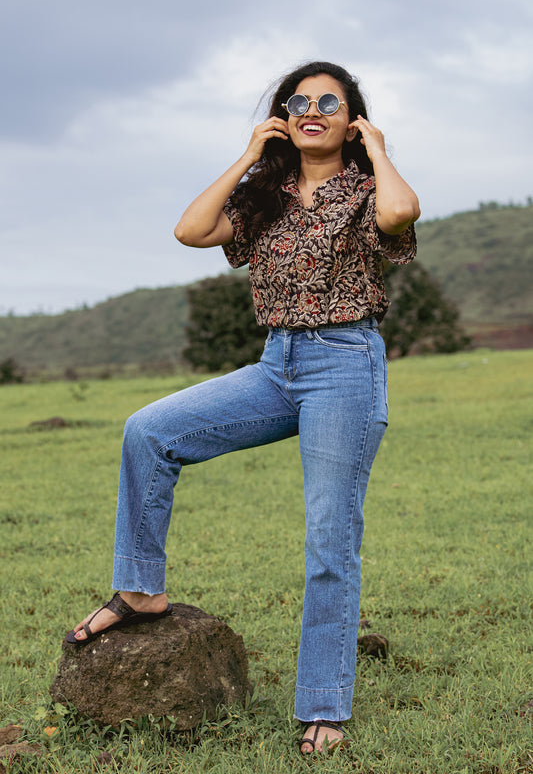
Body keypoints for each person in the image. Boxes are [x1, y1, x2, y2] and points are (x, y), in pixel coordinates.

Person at [68, 61, 420, 754]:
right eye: (296, 101)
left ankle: (323, 706)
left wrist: (376, 149)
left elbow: (400, 214)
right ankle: (139, 589)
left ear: (351, 118)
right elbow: (190, 230)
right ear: (281, 116)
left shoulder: (366, 187)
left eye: (328, 101)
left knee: (328, 540)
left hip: (344, 365)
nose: (309, 108)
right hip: (275, 364)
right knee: (150, 431)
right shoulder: (266, 196)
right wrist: (250, 154)